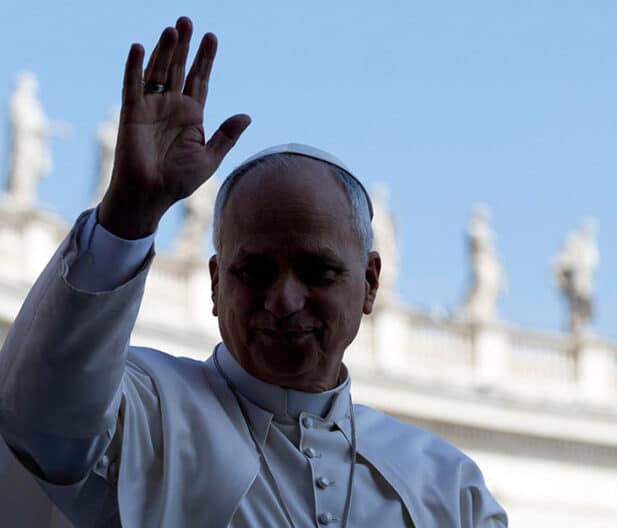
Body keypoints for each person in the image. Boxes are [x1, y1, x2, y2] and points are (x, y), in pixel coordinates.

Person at [0, 17, 507, 527]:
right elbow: (39, 416)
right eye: (254, 271)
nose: (284, 300)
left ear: (370, 282)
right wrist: (129, 214)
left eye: (318, 271)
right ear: (217, 285)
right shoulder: (146, 409)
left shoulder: (447, 486)